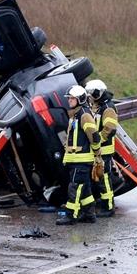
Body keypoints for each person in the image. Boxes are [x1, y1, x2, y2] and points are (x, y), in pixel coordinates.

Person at [56, 84, 100, 225]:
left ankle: (71, 215)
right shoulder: (76, 115)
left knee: (75, 187)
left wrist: (97, 153)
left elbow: (94, 136)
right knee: (85, 189)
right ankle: (89, 214)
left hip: (81, 160)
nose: (69, 101)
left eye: (72, 99)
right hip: (76, 159)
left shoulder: (84, 115)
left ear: (80, 99)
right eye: (69, 98)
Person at [86, 79, 118, 218]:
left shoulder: (108, 108)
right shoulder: (96, 106)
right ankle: (104, 203)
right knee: (99, 178)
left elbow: (109, 129)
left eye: (91, 94)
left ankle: (109, 207)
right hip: (97, 150)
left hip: (104, 150)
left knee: (105, 179)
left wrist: (97, 140)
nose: (89, 97)